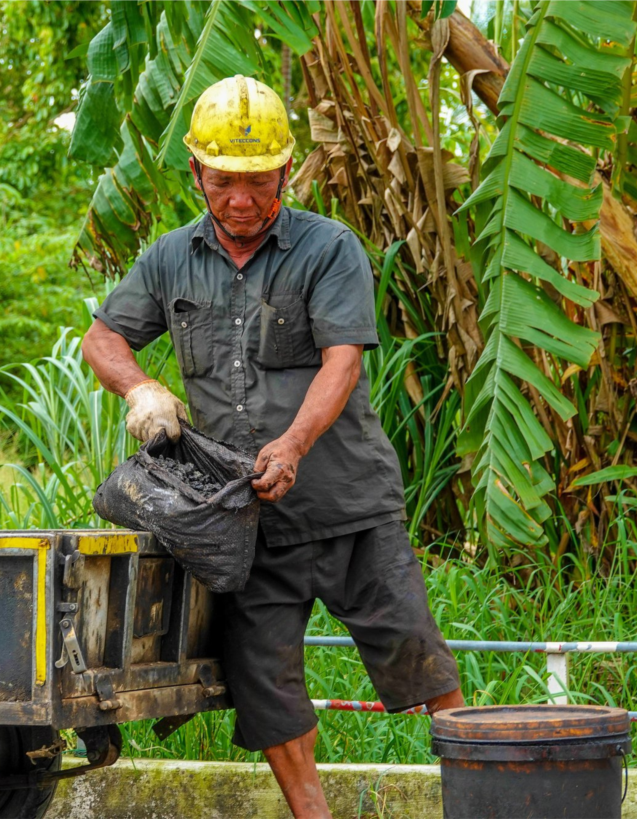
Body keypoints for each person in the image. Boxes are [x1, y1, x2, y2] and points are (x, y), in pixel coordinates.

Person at [81, 75, 465, 818]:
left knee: (417, 658)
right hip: (243, 524)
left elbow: (343, 360)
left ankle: (478, 800)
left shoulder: (328, 249)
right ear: (196, 173)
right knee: (267, 687)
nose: (242, 201)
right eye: (224, 183)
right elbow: (104, 337)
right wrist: (140, 389)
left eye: (259, 183)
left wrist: (292, 444)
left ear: (288, 172)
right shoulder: (169, 259)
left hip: (349, 504)